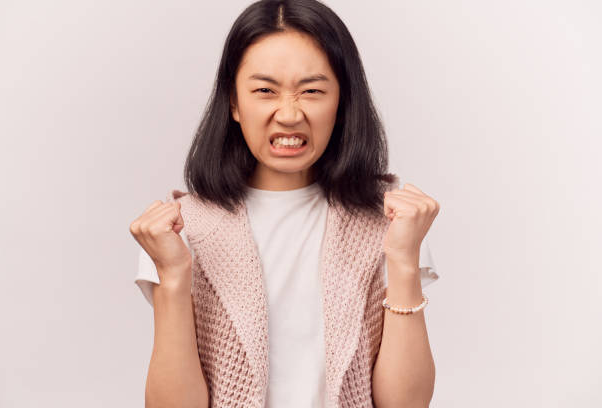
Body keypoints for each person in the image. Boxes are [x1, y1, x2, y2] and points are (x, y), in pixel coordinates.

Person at [129, 1, 440, 407]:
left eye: (312, 91)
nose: (289, 114)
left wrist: (403, 258)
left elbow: (405, 405)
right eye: (264, 91)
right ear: (235, 104)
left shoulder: (392, 221)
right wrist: (173, 278)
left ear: (343, 103)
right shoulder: (180, 229)